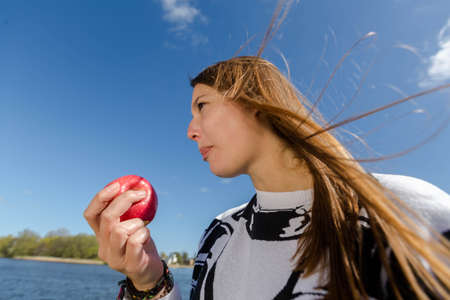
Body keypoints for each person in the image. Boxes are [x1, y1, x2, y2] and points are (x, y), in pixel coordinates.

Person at [83, 4, 450, 300]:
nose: (190, 130)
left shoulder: (408, 210)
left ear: (255, 101)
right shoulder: (218, 235)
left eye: (203, 105)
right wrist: (148, 282)